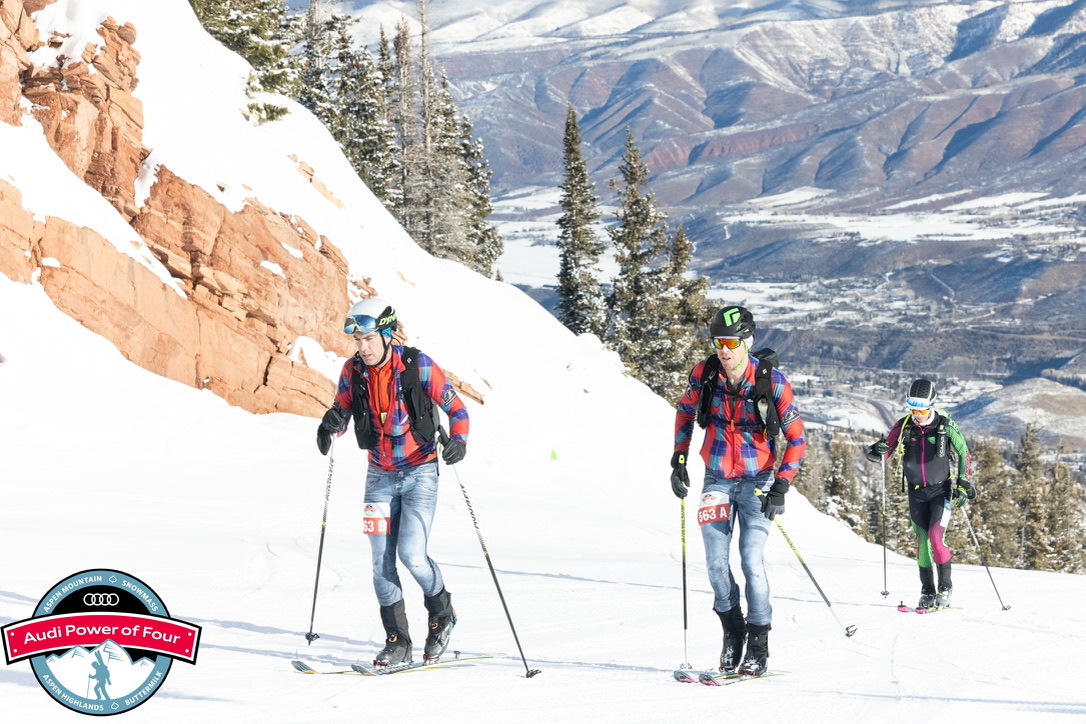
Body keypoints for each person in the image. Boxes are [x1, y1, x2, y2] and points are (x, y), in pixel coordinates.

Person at [315, 297, 470, 666]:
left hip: (420, 473)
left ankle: (442, 614)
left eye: (368, 338)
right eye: (357, 341)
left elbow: (457, 409)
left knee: (412, 556)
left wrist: (459, 441)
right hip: (378, 477)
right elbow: (342, 409)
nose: (362, 347)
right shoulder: (353, 372)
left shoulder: (418, 366)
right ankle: (397, 640)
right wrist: (329, 425)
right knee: (380, 563)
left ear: (386, 334)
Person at [670, 305, 806, 677]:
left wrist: (782, 483)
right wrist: (678, 458)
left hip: (758, 481)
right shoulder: (705, 373)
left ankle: (758, 641)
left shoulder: (772, 382)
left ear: (747, 341)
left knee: (750, 560)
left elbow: (797, 439)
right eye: (718, 342)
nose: (723, 350)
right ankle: (733, 635)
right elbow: (684, 412)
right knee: (715, 563)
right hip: (716, 478)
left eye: (730, 342)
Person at [866, 378, 973, 609]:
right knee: (922, 542)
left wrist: (963, 483)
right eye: (912, 407)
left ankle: (945, 586)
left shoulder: (945, 424)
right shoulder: (904, 425)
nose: (917, 413)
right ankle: (927, 590)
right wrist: (877, 450)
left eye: (922, 408)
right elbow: (884, 453)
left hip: (940, 490)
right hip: (915, 493)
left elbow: (964, 452)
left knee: (936, 536)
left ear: (931, 404)